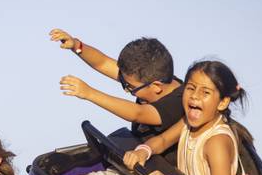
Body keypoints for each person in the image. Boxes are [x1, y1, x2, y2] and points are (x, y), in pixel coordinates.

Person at [112, 60, 255, 175]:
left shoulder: (217, 141)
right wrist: (143, 151)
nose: (195, 96)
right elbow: (163, 140)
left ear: (222, 103)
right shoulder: (188, 123)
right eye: (191, 88)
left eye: (205, 92)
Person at [49, 29, 184, 141]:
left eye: (130, 87)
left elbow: (138, 113)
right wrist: (76, 45)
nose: (126, 89)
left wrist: (89, 93)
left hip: (156, 168)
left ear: (156, 86)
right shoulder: (153, 75)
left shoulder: (179, 103)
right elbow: (102, 63)